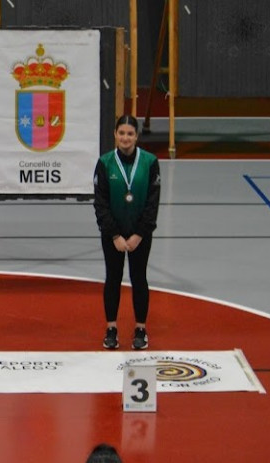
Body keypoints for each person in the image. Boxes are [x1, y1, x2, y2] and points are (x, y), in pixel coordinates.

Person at [93, 114, 160, 350]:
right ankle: (111, 327)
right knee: (113, 277)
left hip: (140, 235)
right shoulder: (105, 163)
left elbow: (153, 203)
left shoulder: (150, 162)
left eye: (130, 134)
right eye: (121, 133)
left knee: (139, 277)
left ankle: (140, 328)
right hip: (114, 235)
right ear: (115, 134)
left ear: (136, 136)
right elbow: (100, 203)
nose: (125, 138)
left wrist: (139, 234)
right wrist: (115, 236)